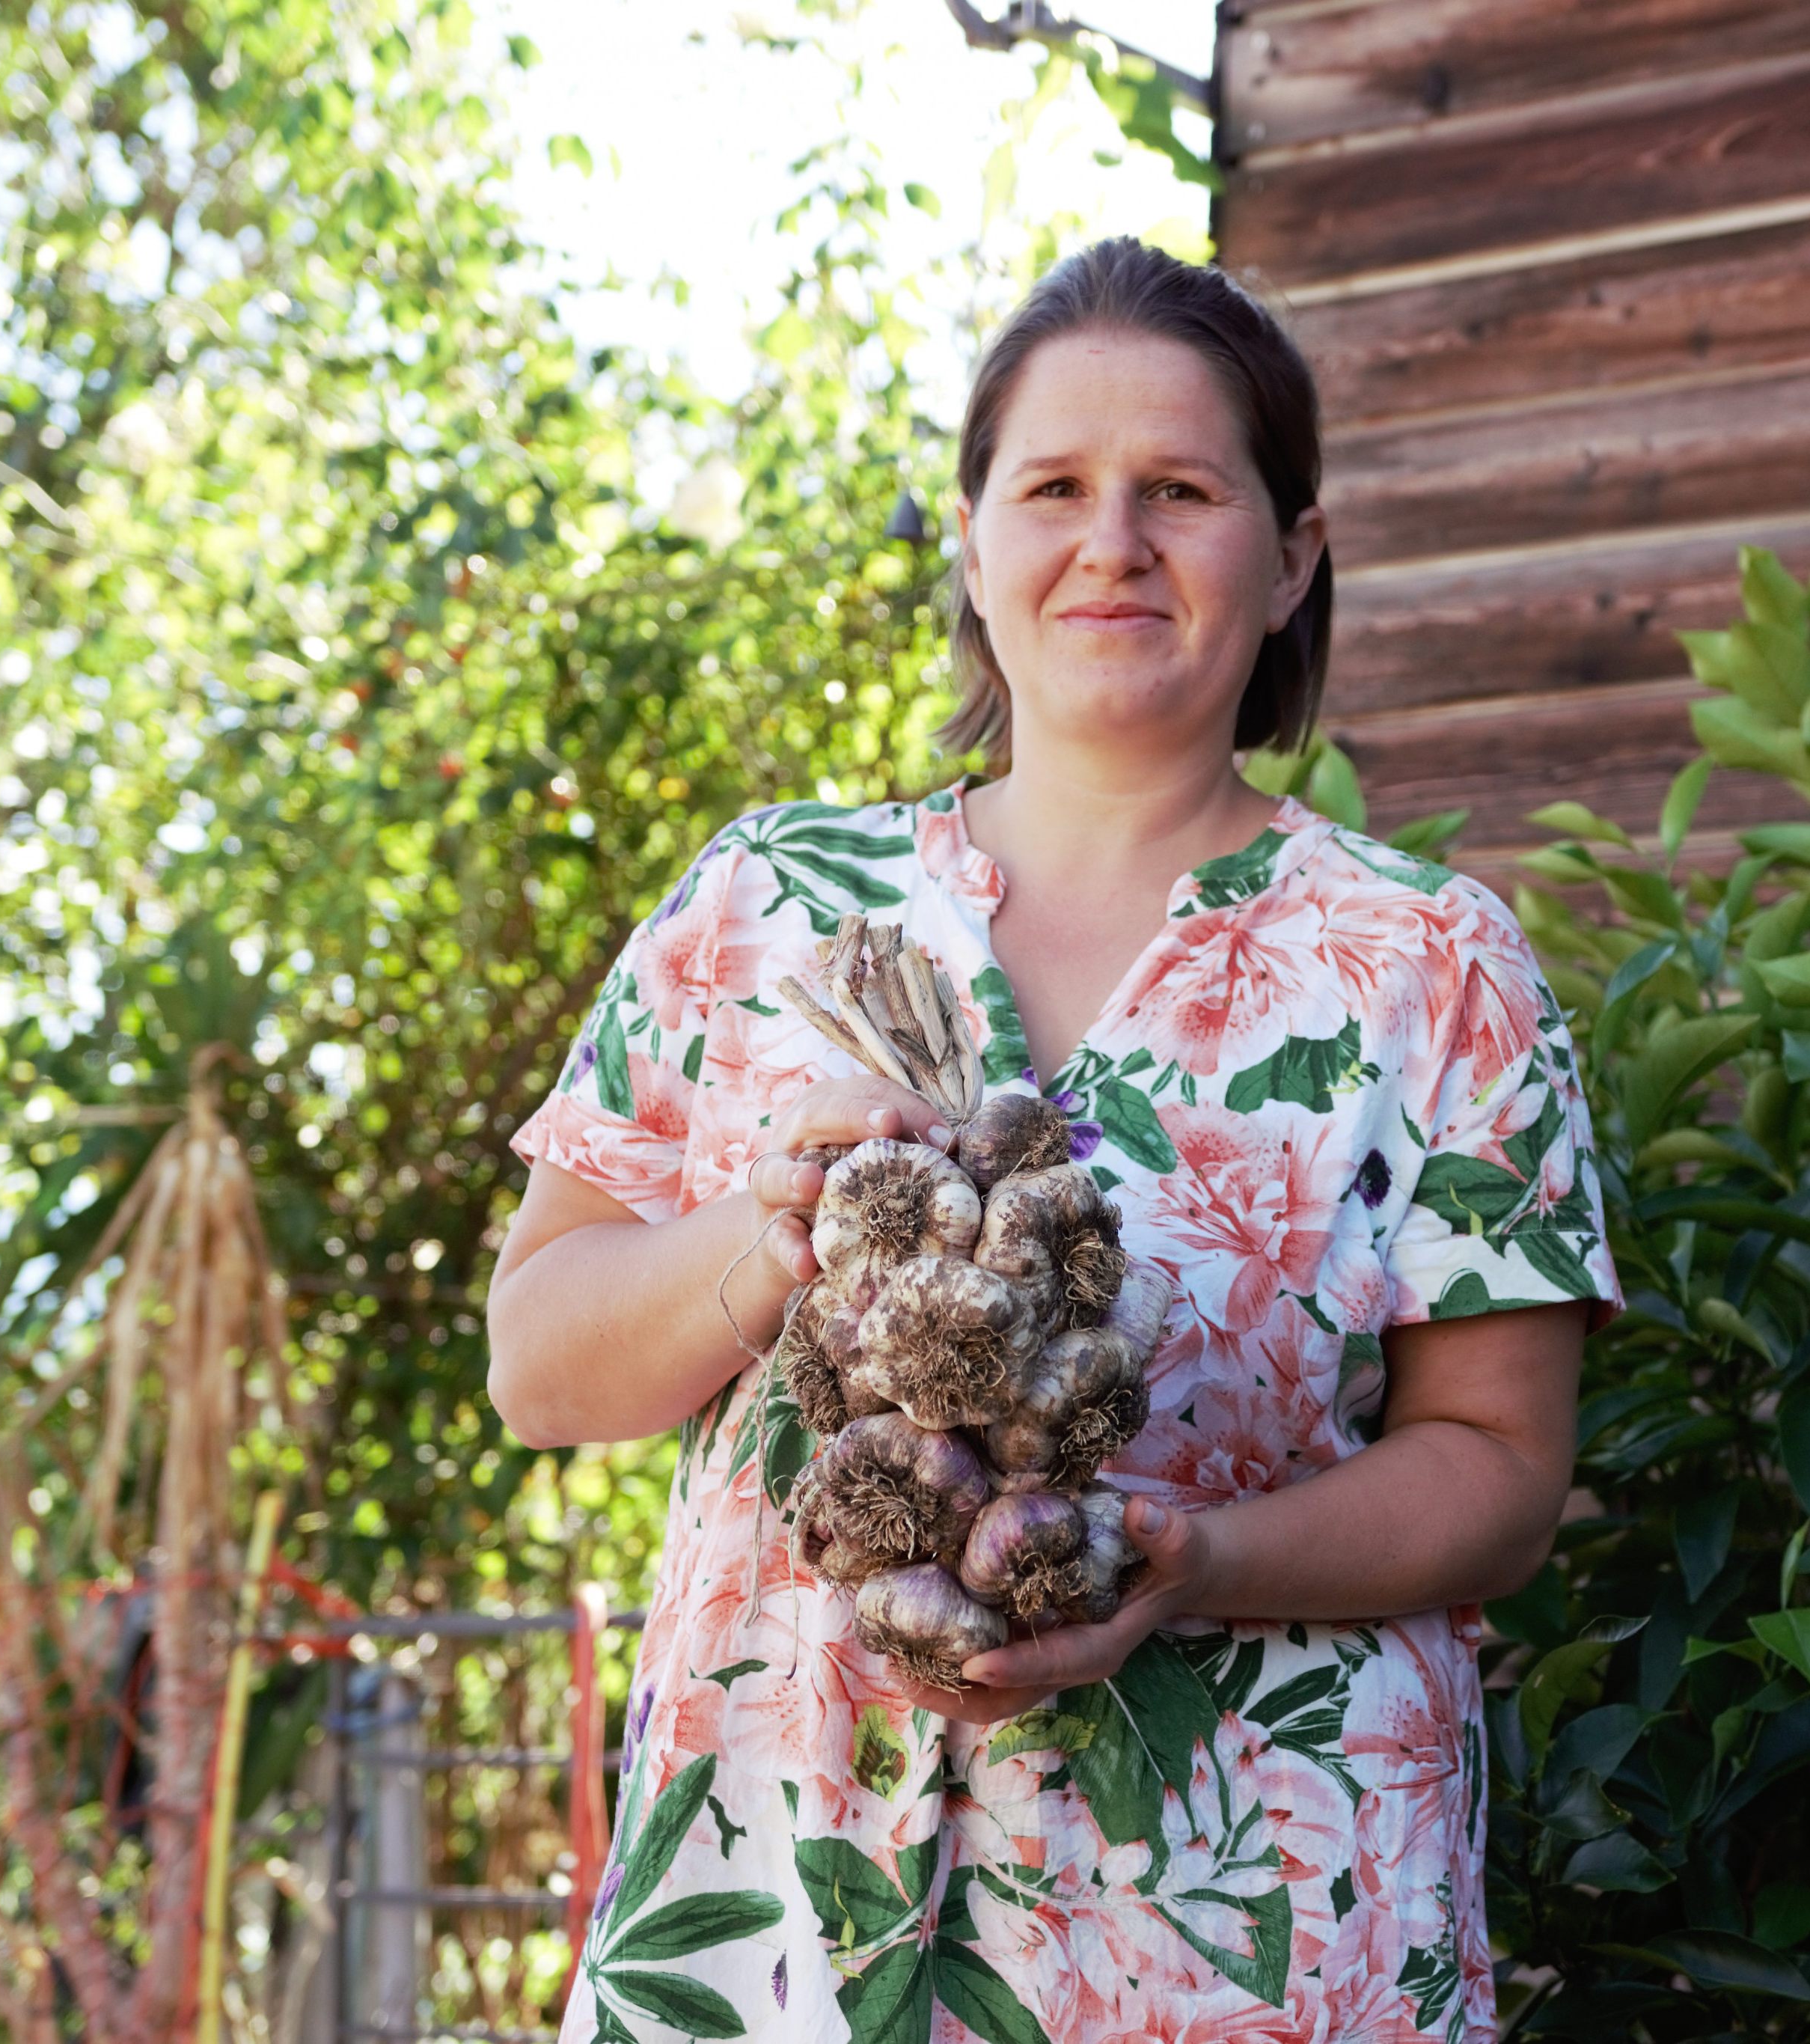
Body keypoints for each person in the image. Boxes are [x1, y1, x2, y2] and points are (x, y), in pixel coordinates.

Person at [487, 237, 1620, 2043]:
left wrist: (1207, 1562)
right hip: (786, 1908)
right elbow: (542, 1363)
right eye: (1058, 489)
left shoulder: (1431, 963)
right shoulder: (765, 904)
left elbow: (1498, 1468)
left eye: (1181, 488)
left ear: (1291, 555)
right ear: (972, 535)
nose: (1115, 542)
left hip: (1262, 1907)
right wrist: (760, 1237)